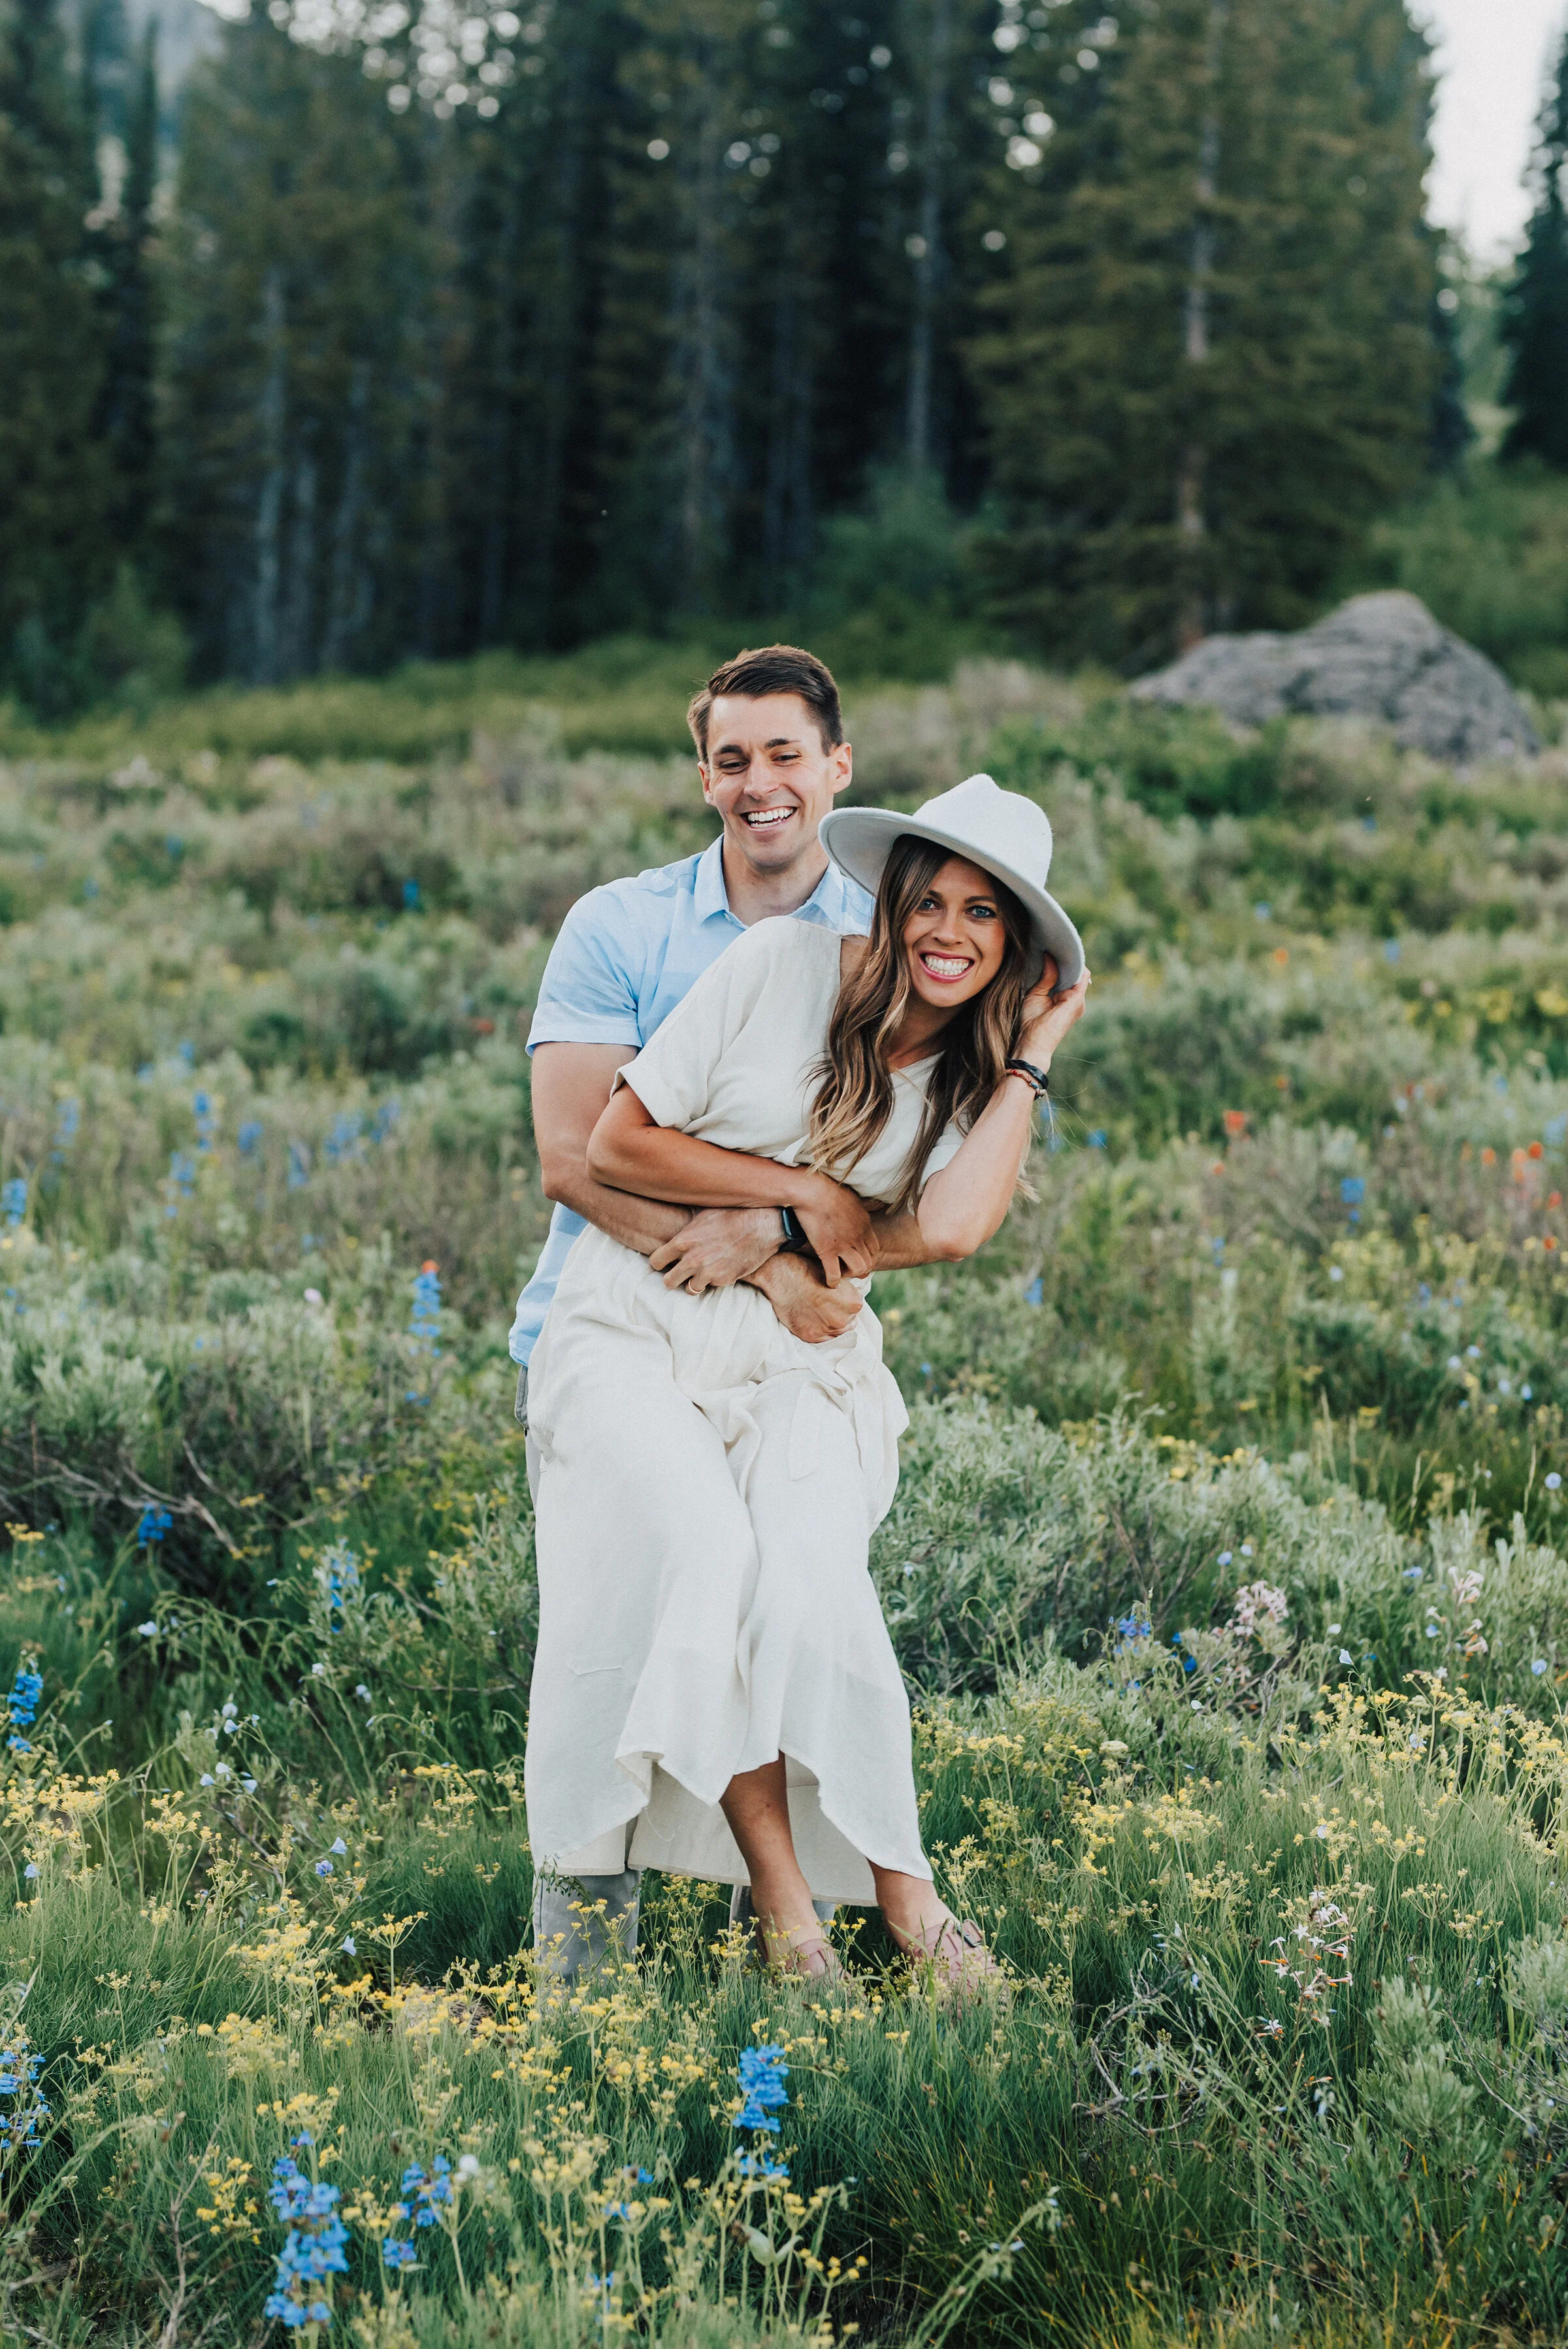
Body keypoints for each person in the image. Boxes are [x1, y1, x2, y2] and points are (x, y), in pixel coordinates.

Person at [523, 770, 1090, 1986]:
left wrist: (1034, 1053)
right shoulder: (784, 966)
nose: (948, 932)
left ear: (1020, 946)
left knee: (811, 1579)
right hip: (640, 1319)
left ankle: (911, 1906)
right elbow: (617, 1141)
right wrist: (806, 1199)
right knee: (709, 1560)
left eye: (985, 914)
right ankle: (788, 1914)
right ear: (891, 901)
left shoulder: (973, 1078)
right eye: (929, 900)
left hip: (807, 1357)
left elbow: (946, 1230)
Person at [512, 644, 955, 1980]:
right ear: (702, 774)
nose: (757, 785)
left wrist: (783, 1247)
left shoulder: (885, 943)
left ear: (837, 767)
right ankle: (584, 1967)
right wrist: (774, 1241)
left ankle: (806, 1916)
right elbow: (572, 1153)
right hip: (615, 1324)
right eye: (729, 759)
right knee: (616, 1607)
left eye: (783, 756)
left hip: (784, 1356)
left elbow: (910, 1185)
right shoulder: (622, 924)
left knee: (786, 1589)